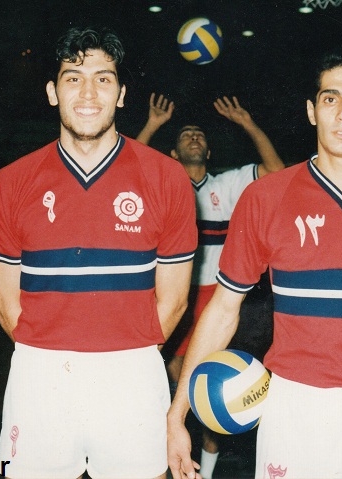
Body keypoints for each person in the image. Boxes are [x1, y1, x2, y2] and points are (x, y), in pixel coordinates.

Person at [167, 50, 342, 479]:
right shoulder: (265, 198)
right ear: (311, 111)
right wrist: (177, 415)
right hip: (293, 409)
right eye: (330, 99)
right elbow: (223, 310)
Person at [0, 26, 197, 479]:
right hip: (41, 373)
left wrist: (125, 354)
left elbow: (175, 300)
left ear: (121, 95)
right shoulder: (12, 181)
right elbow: (6, 303)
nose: (88, 93)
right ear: (52, 92)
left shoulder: (167, 178)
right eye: (73, 78)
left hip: (132, 372)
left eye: (103, 79)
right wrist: (51, 354)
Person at [136, 93, 284, 479]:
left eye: (199, 134)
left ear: (209, 151)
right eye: (185, 134)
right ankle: (160, 457)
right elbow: (127, 166)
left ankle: (206, 469)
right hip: (174, 297)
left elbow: (276, 170)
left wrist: (248, 123)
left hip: (220, 301)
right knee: (173, 383)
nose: (194, 136)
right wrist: (152, 124)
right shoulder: (164, 186)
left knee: (210, 391)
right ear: (172, 153)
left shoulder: (228, 185)